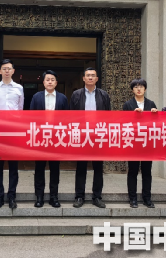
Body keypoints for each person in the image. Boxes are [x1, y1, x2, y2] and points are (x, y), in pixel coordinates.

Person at [70, 67, 111, 208]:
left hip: (98, 135)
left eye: (93, 75)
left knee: (98, 168)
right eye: (88, 75)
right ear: (83, 78)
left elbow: (108, 115)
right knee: (81, 167)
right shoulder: (76, 94)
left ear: (97, 79)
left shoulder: (104, 95)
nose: (90, 77)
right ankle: (79, 196)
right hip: (82, 135)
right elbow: (71, 116)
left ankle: (97, 196)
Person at [29, 70, 69, 208]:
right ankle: (39, 197)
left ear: (56, 83)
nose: (50, 82)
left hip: (57, 138)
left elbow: (67, 119)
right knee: (39, 168)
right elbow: (31, 118)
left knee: (55, 169)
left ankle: (54, 197)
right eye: (48, 79)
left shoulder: (63, 98)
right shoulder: (36, 97)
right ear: (43, 82)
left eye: (52, 79)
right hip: (41, 137)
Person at [0, 59, 24, 209]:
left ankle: (11, 196)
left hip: (13, 131)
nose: (7, 71)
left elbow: (20, 109)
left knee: (13, 166)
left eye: (9, 68)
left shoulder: (19, 88)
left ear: (13, 71)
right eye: (4, 69)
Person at [123, 78, 158, 208]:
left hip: (147, 143)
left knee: (147, 172)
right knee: (132, 171)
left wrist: (155, 114)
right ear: (132, 90)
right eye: (136, 87)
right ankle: (132, 199)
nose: (139, 89)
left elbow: (156, 124)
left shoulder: (151, 103)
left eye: (141, 86)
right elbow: (124, 123)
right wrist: (133, 115)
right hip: (133, 143)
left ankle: (147, 198)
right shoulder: (128, 105)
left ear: (145, 89)